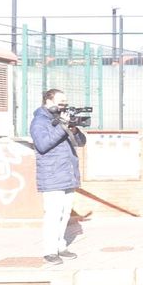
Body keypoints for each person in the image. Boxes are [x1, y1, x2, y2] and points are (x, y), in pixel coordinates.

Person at [31, 88, 84, 265]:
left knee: (65, 213)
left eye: (65, 102)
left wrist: (74, 130)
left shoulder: (61, 120)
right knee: (53, 214)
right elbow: (43, 145)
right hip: (52, 174)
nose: (64, 105)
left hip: (68, 173)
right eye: (60, 102)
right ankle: (50, 250)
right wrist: (62, 127)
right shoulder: (39, 122)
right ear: (48, 101)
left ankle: (61, 246)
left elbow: (81, 143)